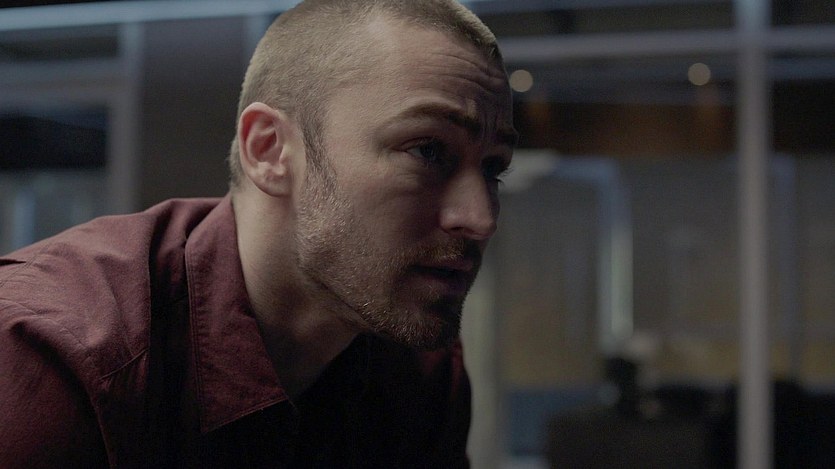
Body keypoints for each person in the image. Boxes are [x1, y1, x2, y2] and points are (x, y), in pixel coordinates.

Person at [0, 0, 516, 467]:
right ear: (269, 151)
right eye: (428, 151)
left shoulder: (416, 369)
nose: (481, 218)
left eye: (494, 168)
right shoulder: (57, 358)